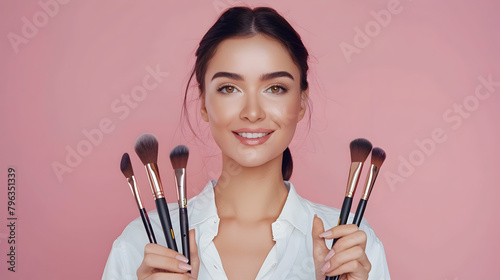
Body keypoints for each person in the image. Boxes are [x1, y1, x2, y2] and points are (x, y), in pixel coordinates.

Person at [103, 6, 390, 280]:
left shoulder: (352, 246)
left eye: (275, 88)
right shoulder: (141, 244)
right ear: (203, 102)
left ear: (302, 101)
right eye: (229, 88)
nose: (252, 112)